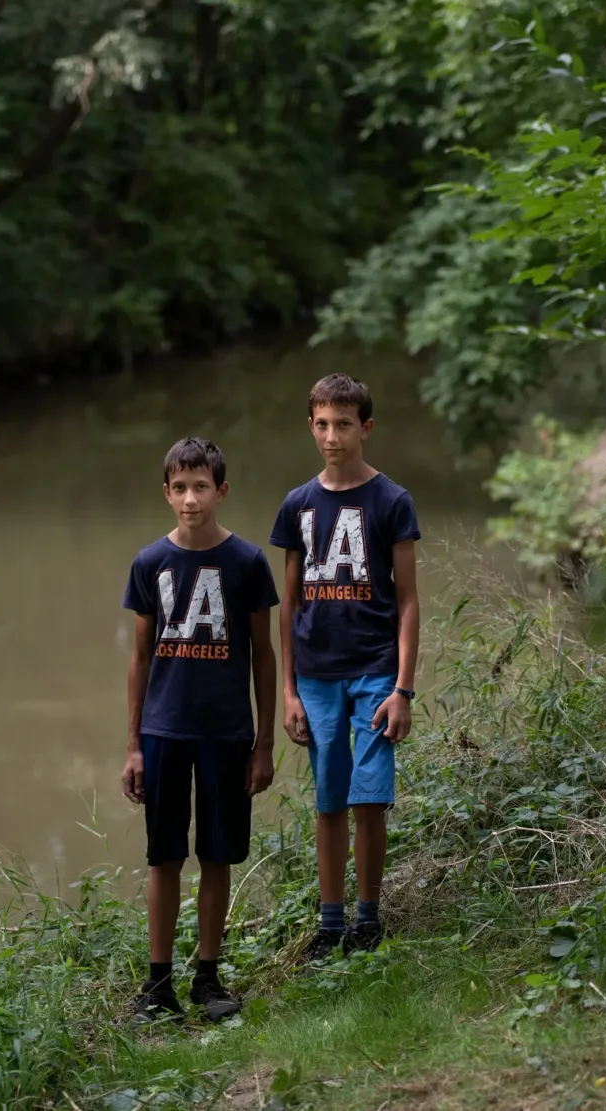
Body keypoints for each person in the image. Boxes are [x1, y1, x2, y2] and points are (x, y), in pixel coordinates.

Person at [121, 437, 280, 1023]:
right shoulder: (148, 564)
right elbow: (140, 658)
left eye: (201, 487)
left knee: (217, 857)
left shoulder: (247, 563)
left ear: (221, 491)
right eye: (180, 488)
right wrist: (134, 745)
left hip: (228, 734)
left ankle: (207, 980)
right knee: (164, 858)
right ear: (166, 493)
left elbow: (264, 656)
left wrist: (264, 743)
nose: (191, 499)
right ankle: (157, 985)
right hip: (164, 733)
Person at [270, 372, 421, 959]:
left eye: (344, 425)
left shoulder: (391, 501)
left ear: (366, 428)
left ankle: (368, 919)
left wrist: (403, 688)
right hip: (315, 675)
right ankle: (329, 924)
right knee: (329, 799)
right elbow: (290, 604)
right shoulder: (297, 506)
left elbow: (407, 601)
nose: (333, 436)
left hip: (376, 670)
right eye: (323, 425)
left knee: (368, 797)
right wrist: (287, 691)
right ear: (311, 426)